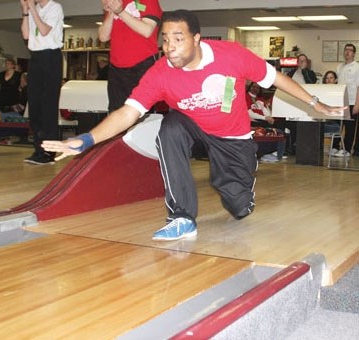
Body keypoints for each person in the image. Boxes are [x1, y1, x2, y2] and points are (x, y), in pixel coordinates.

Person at [42, 9, 345, 241]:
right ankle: (181, 217)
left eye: (178, 39)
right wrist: (86, 139)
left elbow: (276, 79)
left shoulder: (232, 56)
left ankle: (241, 191)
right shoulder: (160, 72)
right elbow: (128, 113)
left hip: (233, 138)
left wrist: (315, 103)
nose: (169, 47)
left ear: (197, 39)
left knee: (237, 206)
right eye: (164, 40)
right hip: (194, 127)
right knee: (170, 127)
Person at [20, 0, 64, 165]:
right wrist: (26, 12)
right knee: (35, 106)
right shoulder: (34, 8)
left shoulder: (55, 7)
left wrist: (31, 8)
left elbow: (44, 30)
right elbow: (26, 35)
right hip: (36, 57)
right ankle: (39, 150)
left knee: (48, 106)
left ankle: (49, 152)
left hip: (51, 56)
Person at [98, 0, 162, 112]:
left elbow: (147, 30)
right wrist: (112, 11)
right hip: (116, 67)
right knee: (116, 111)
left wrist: (120, 12)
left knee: (141, 111)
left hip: (142, 64)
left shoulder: (148, 1)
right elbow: (103, 37)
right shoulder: (116, 4)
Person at [245, 81, 285, 163]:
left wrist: (270, 118)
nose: (255, 89)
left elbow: (266, 111)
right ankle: (274, 152)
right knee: (276, 128)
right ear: (249, 87)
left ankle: (279, 152)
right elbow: (249, 113)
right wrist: (265, 118)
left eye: (258, 87)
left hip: (262, 120)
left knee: (282, 124)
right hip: (253, 121)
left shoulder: (260, 99)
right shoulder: (245, 97)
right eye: (254, 87)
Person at [336, 44, 359, 157]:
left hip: (352, 101)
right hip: (341, 101)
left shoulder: (357, 67)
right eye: (346, 50)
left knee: (350, 127)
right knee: (340, 125)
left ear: (354, 53)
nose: (347, 52)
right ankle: (338, 147)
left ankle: (347, 150)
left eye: (350, 50)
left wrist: (357, 104)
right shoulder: (339, 66)